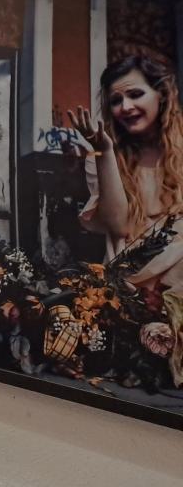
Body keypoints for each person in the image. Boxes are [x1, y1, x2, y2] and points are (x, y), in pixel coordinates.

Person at [70, 55, 183, 386]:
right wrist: (104, 151)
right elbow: (119, 227)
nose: (125, 106)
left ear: (161, 94)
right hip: (130, 277)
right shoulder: (104, 155)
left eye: (135, 94)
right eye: (116, 100)